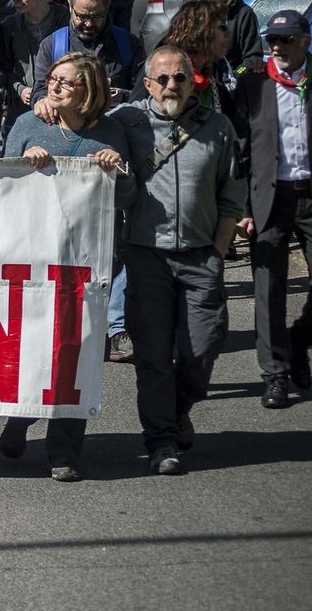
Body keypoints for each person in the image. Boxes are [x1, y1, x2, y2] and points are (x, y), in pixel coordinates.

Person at [0, 53, 136, 481]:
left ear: (89, 89)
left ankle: (64, 451)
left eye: (65, 83)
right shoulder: (28, 126)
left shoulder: (111, 133)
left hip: (87, 266)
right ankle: (20, 418)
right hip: (34, 261)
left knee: (79, 356)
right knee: (35, 350)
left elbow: (129, 198)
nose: (53, 88)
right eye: (51, 80)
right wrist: (25, 164)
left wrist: (118, 170)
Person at [114, 46, 245, 475]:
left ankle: (177, 407)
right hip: (146, 256)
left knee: (202, 348)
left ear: (194, 81)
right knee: (152, 357)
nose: (173, 86)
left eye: (181, 78)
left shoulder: (218, 127)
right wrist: (45, 101)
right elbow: (79, 120)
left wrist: (218, 251)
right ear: (148, 83)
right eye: (164, 79)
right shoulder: (127, 121)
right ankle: (162, 440)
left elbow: (232, 195)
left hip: (200, 256)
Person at [235, 10, 312, 409]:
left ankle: (299, 338)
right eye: (272, 40)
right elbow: (241, 150)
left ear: (305, 40)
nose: (277, 47)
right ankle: (276, 374)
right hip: (269, 196)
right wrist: (243, 207)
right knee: (269, 290)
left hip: (309, 194)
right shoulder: (254, 82)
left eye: (285, 39)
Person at [32, 0, 144, 111]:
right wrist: (43, 103)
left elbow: (145, 92)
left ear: (107, 9)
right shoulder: (52, 46)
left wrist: (123, 97)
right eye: (82, 16)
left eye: (97, 16)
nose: (89, 24)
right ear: (70, 7)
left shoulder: (128, 44)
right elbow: (39, 91)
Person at [1, 0, 69, 127]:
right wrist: (19, 89)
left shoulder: (65, 20)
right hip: (21, 108)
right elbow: (3, 69)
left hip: (61, 105)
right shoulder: (10, 26)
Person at [191, 0, 265, 70]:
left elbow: (253, 59)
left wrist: (234, 76)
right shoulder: (191, 14)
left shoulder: (243, 15)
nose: (206, 2)